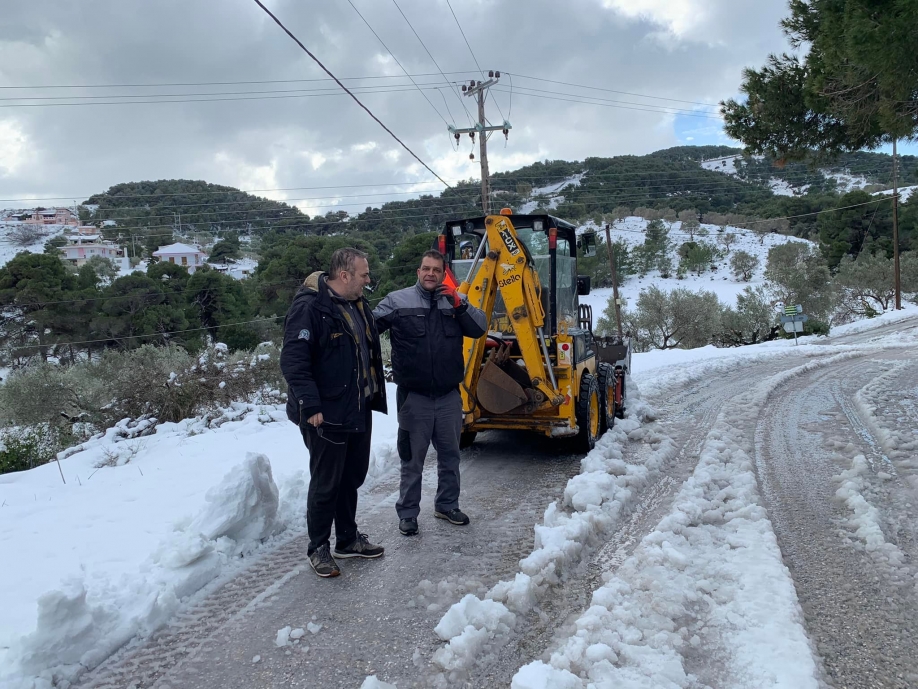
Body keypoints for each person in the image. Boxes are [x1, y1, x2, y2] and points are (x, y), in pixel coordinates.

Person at [280, 247, 388, 578]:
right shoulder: (310, 308)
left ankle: (347, 539)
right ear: (344, 275)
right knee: (326, 483)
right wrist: (309, 406)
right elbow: (294, 361)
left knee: (351, 477)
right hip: (325, 415)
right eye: (364, 274)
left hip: (357, 408)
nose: (368, 280)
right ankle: (318, 547)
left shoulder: (356, 303)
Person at [373, 250, 487, 536]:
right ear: (418, 271)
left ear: (443, 272)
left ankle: (447, 505)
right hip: (415, 397)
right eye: (426, 268)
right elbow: (366, 328)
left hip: (449, 396)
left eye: (436, 269)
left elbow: (480, 328)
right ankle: (408, 513)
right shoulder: (397, 301)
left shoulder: (456, 302)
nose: (431, 274)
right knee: (412, 459)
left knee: (451, 456)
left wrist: (459, 303)